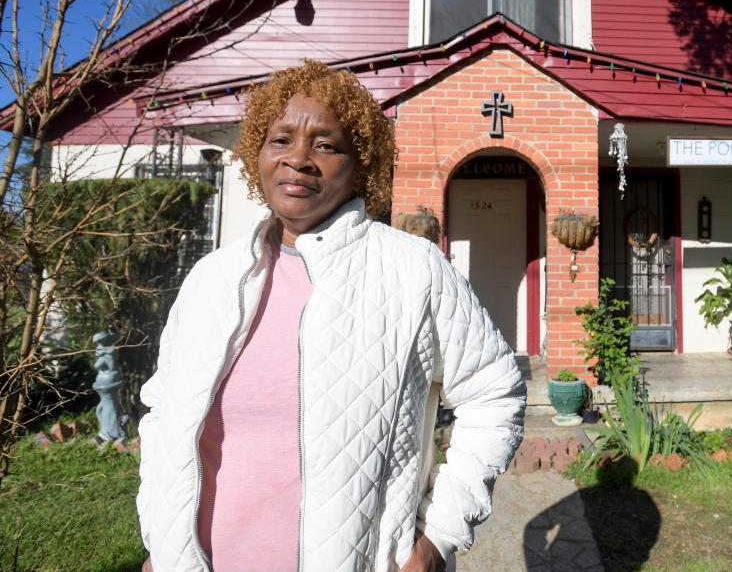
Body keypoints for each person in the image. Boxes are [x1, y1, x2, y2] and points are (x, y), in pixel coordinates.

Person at [137, 60, 526, 571]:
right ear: (258, 151)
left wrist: (437, 539)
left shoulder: (414, 270)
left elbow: (494, 394)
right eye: (280, 140)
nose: (298, 159)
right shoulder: (211, 279)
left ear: (360, 162)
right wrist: (161, 545)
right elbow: (165, 416)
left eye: (325, 144)